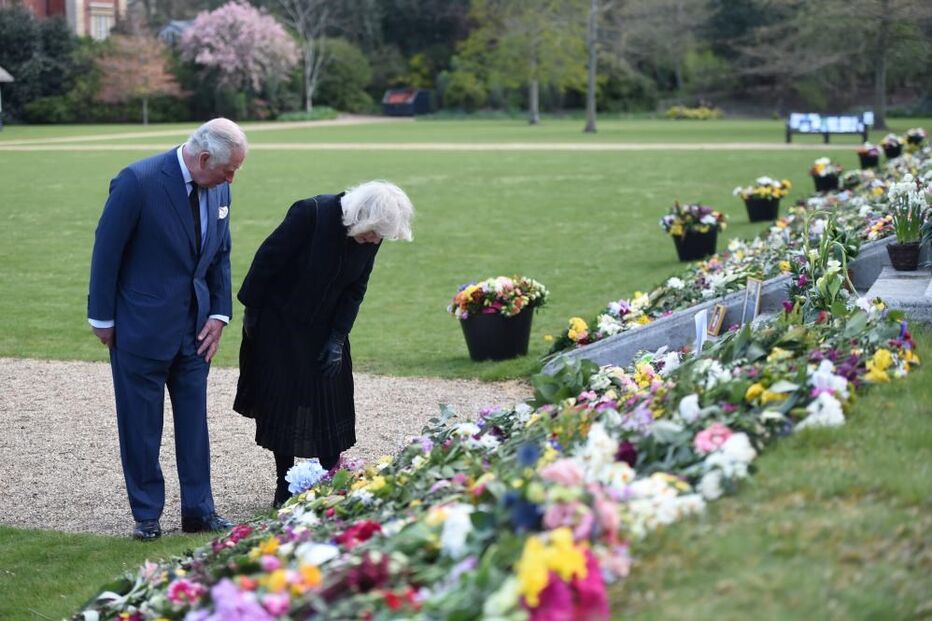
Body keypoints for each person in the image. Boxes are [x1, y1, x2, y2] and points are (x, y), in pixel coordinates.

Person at [87, 118, 248, 540]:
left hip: (195, 331)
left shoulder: (220, 187)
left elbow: (221, 255)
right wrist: (102, 318)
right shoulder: (137, 182)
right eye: (229, 169)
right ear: (203, 158)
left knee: (195, 426)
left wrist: (219, 313)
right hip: (140, 329)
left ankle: (199, 511)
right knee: (141, 426)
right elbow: (107, 250)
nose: (233, 178)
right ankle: (147, 515)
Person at [233, 180, 414, 507]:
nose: (374, 240)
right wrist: (253, 312)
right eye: (373, 233)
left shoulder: (370, 233)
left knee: (333, 397)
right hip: (280, 324)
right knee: (285, 401)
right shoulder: (311, 213)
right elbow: (266, 262)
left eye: (379, 237)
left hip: (326, 327)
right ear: (360, 215)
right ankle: (284, 483)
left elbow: (355, 289)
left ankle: (333, 478)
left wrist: (337, 339)